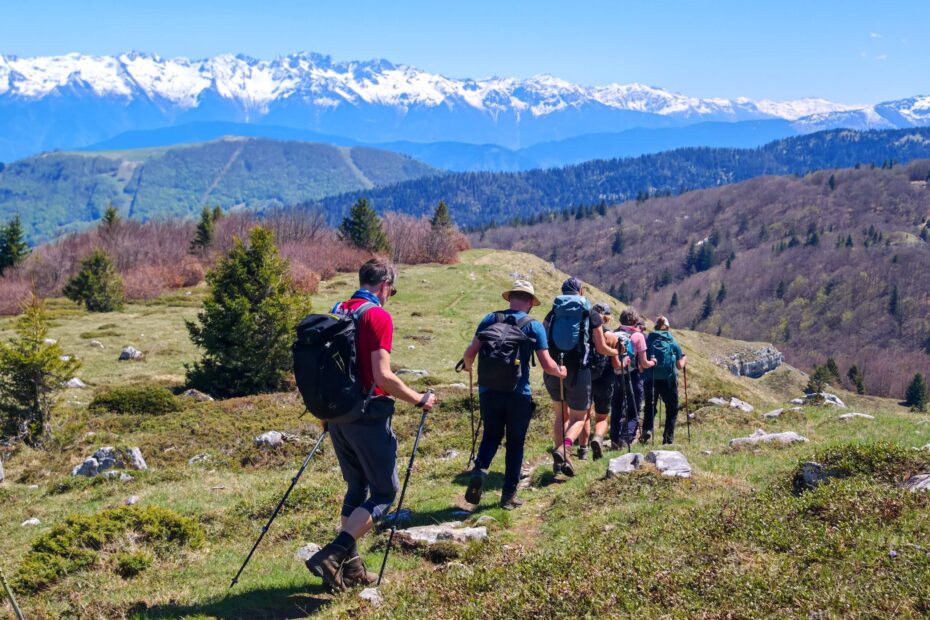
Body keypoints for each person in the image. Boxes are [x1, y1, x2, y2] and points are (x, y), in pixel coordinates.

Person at [306, 258, 437, 592]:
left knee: (357, 487)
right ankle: (333, 555)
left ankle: (351, 570)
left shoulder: (339, 310)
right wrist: (419, 399)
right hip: (367, 414)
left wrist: (326, 414)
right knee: (384, 493)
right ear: (385, 285)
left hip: (337, 414)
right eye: (392, 289)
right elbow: (383, 376)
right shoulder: (377, 316)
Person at [460, 280, 566, 509]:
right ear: (530, 302)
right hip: (518, 394)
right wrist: (561, 372)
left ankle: (479, 470)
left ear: (510, 298)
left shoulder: (490, 319)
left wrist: (468, 367)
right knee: (515, 443)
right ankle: (508, 497)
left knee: (490, 436)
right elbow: (547, 365)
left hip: (489, 391)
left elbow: (469, 354)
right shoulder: (533, 326)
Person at [543, 277, 618, 476]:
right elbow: (601, 347)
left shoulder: (553, 312)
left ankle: (558, 464)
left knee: (561, 415)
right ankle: (566, 448)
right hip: (578, 371)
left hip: (554, 368)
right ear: (581, 292)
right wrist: (616, 352)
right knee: (579, 417)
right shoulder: (590, 313)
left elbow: (543, 339)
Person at [577, 303, 618, 460]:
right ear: (607, 318)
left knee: (584, 415)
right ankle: (598, 438)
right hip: (605, 380)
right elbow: (616, 364)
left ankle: (583, 450)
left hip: (585, 377)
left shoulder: (583, 334)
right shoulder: (611, 336)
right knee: (602, 417)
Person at [610, 308, 654, 448]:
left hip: (616, 375)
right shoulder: (638, 336)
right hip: (633, 375)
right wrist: (653, 362)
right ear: (636, 321)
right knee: (633, 409)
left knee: (616, 407)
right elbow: (644, 363)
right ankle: (626, 438)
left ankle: (614, 438)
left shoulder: (613, 334)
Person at [642, 316, 687, 445]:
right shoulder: (672, 342)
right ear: (667, 327)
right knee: (672, 409)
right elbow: (679, 365)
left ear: (655, 326)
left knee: (650, 406)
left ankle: (647, 429)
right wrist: (685, 359)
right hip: (668, 381)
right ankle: (668, 439)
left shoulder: (648, 340)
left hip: (650, 378)